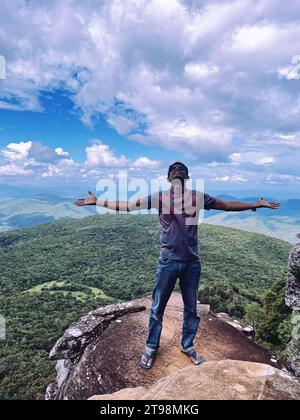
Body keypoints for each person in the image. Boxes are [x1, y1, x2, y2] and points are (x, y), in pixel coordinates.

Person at [75, 161, 280, 369]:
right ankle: (151, 347)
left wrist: (255, 204)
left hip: (191, 263)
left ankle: (187, 345)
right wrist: (97, 202)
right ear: (168, 178)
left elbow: (227, 206)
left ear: (186, 178)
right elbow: (128, 206)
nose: (177, 174)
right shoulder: (159, 197)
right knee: (157, 308)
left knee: (191, 308)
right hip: (168, 262)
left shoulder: (198, 197)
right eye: (174, 172)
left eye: (180, 172)